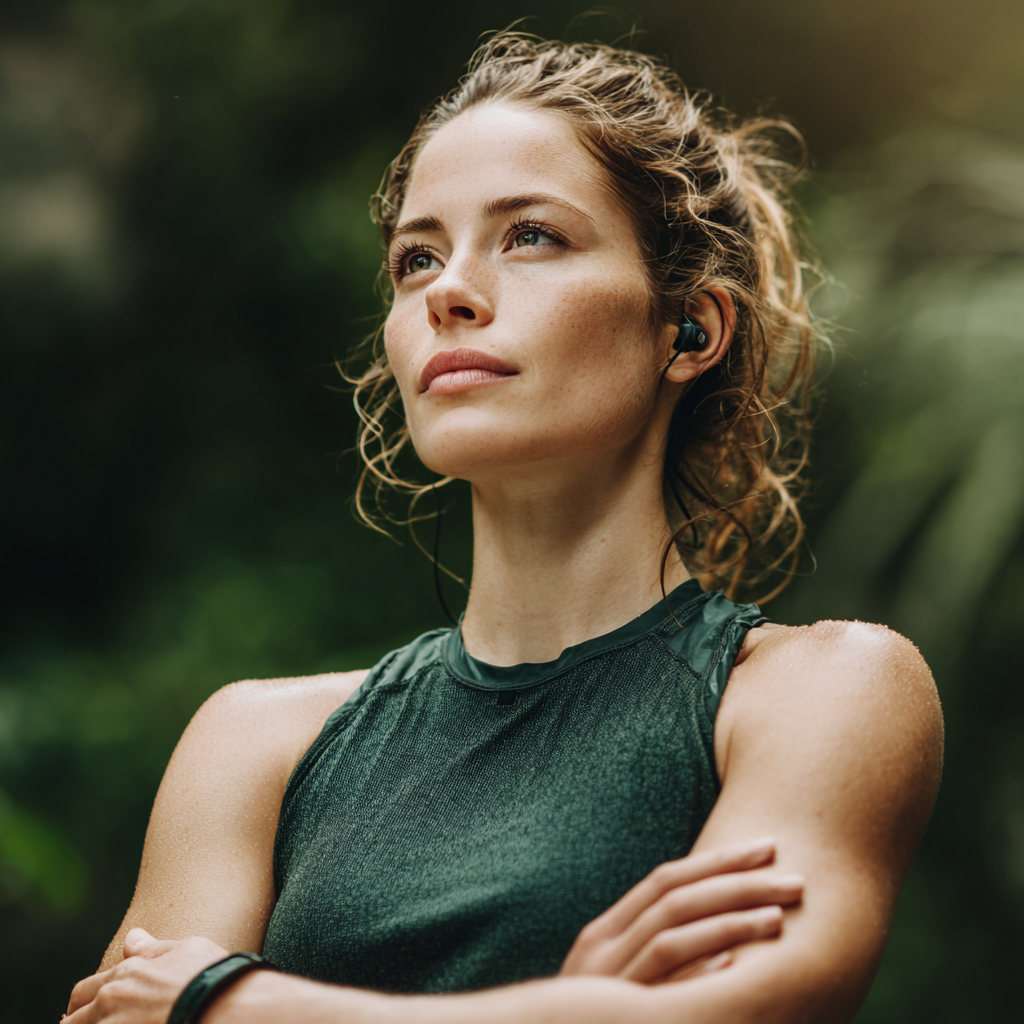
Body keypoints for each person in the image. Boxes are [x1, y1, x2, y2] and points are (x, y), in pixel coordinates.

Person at [65, 33, 943, 1024]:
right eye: (416, 257)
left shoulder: (824, 692)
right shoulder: (251, 745)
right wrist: (573, 1004)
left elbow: (734, 1012)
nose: (448, 290)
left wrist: (232, 1001)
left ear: (688, 329)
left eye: (530, 236)